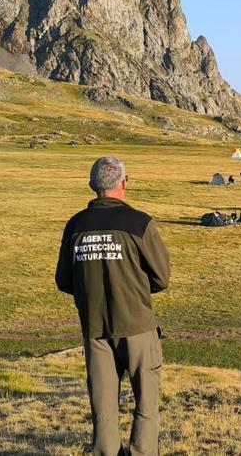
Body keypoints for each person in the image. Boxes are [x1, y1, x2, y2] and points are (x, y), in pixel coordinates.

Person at [57, 157, 171, 456]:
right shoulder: (139, 222)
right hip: (137, 327)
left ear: (92, 185)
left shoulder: (75, 225)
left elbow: (64, 280)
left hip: (95, 328)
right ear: (124, 183)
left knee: (103, 410)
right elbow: (161, 278)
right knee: (146, 404)